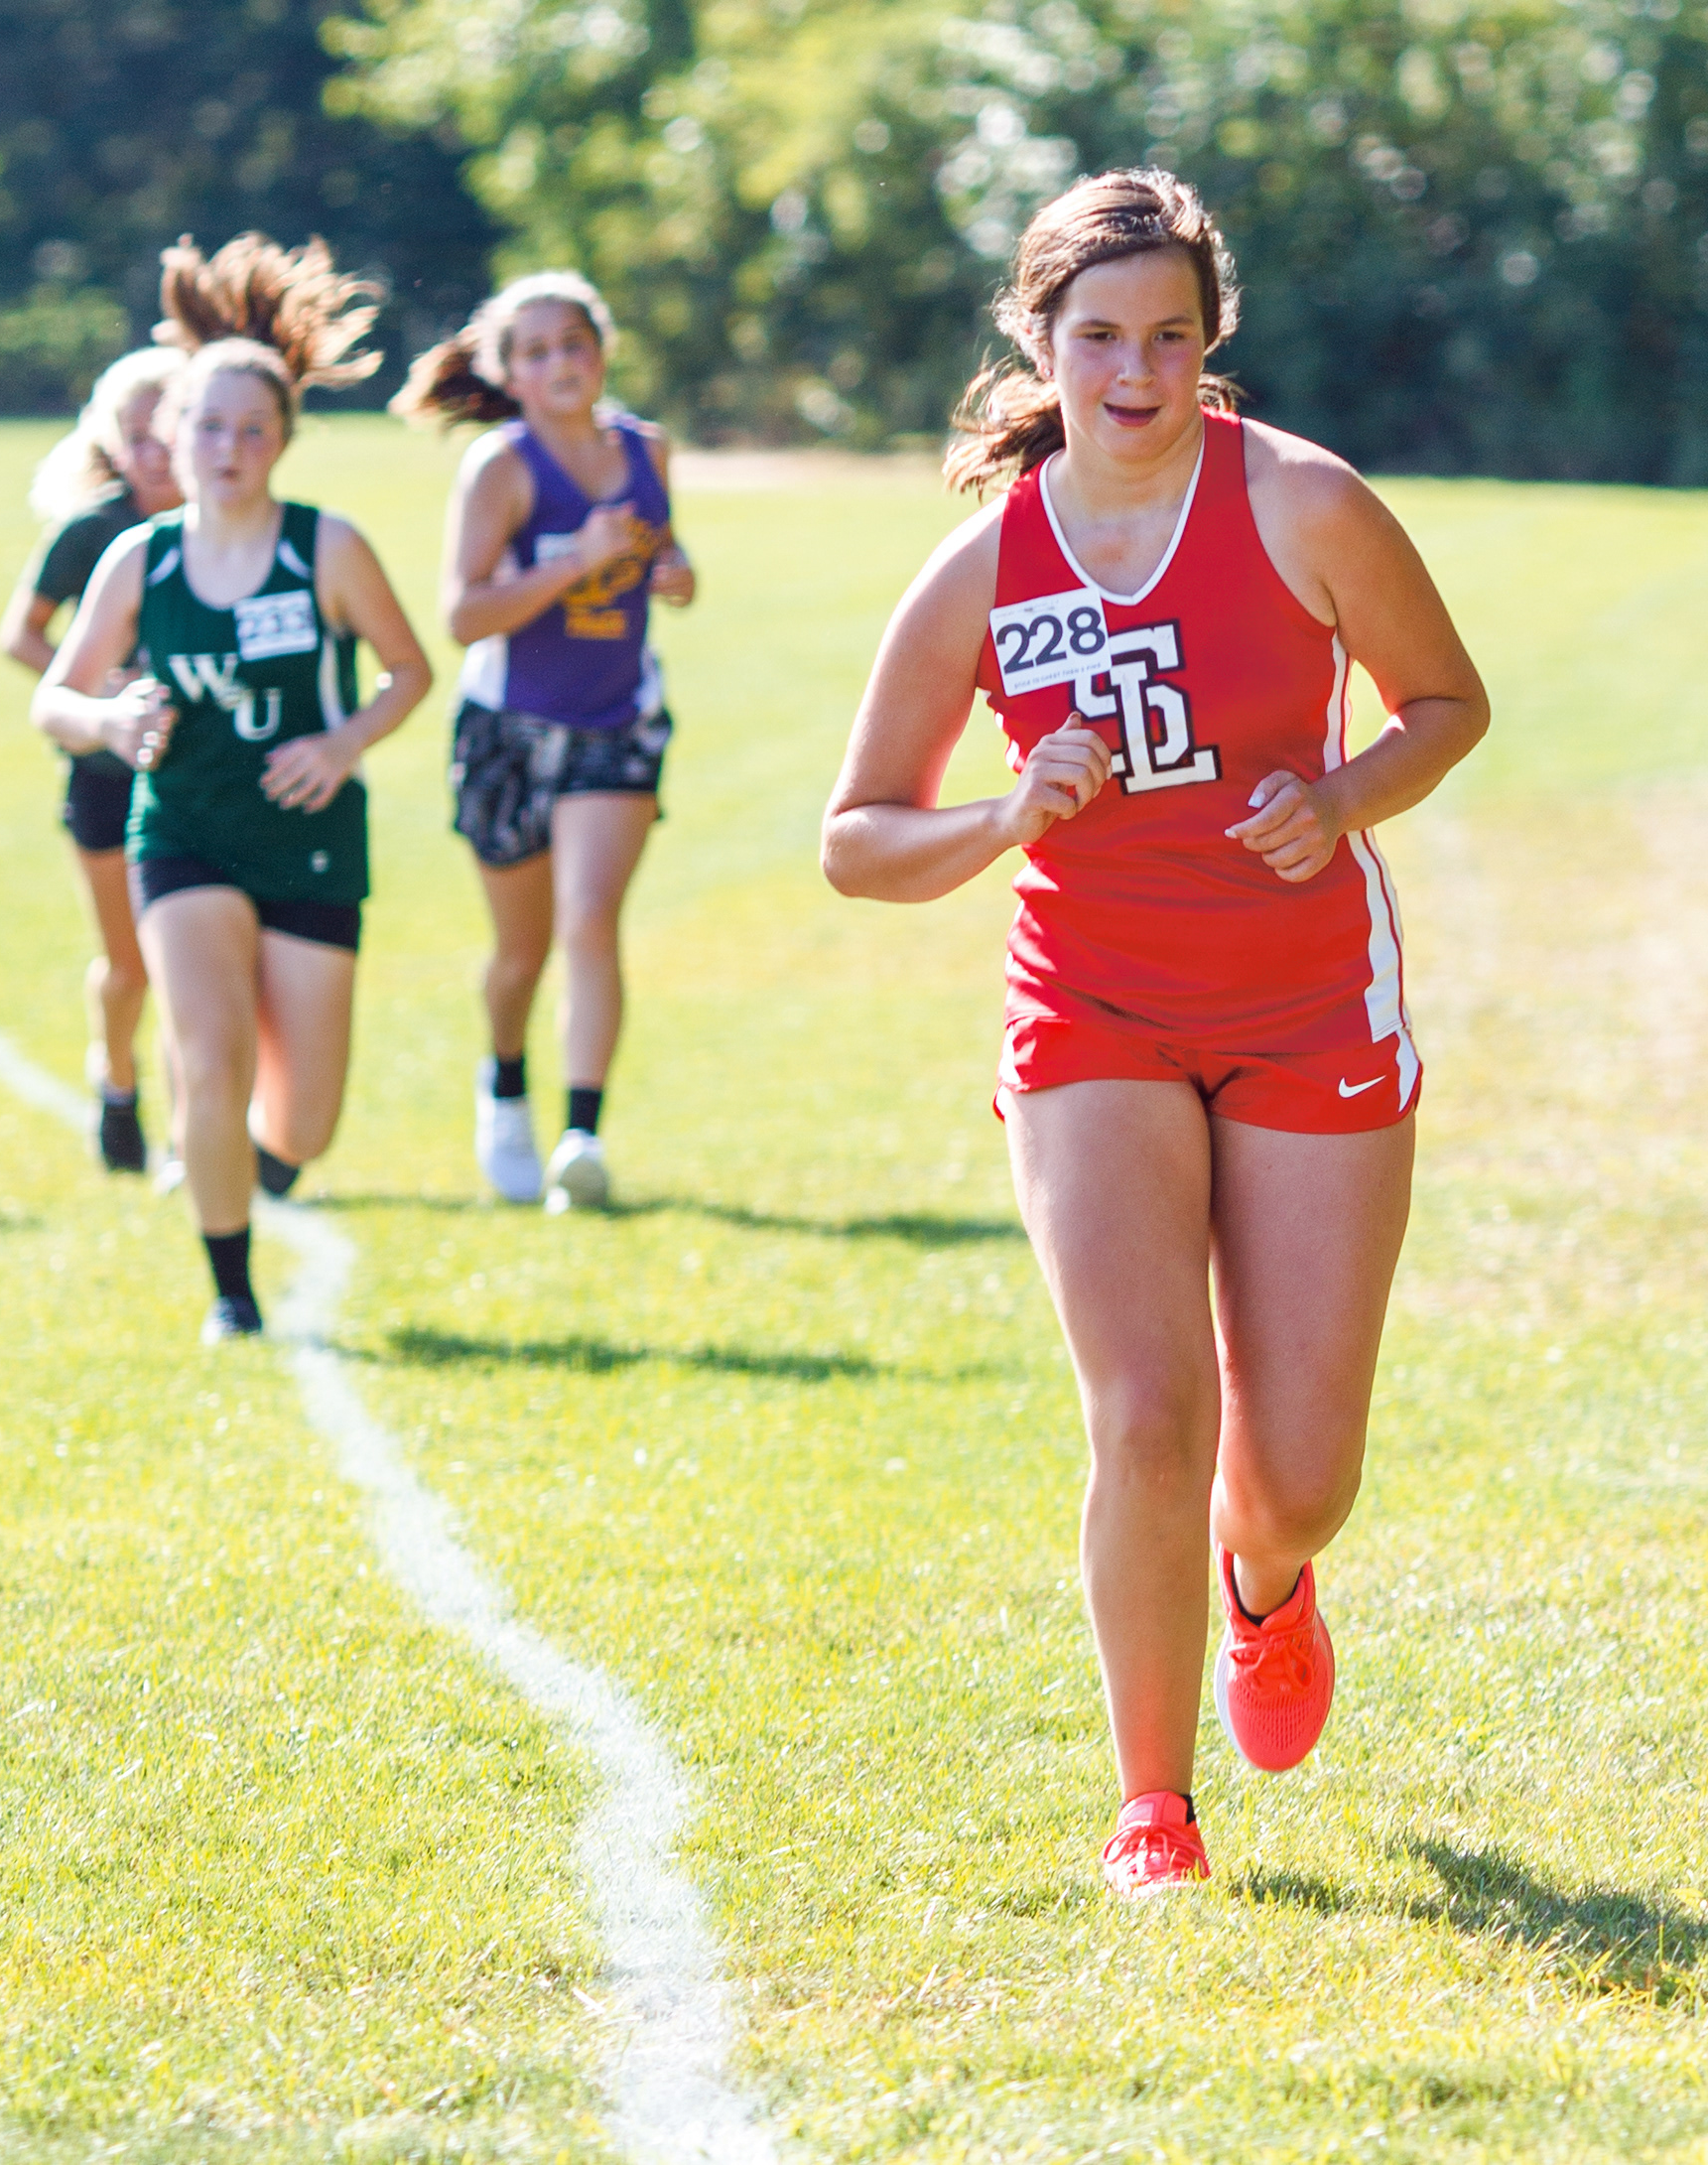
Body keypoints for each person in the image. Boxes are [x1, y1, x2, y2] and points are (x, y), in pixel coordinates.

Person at [823, 171, 1488, 1898]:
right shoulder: (985, 565)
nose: (1137, 372)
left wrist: (1336, 800)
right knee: (1146, 1411)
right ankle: (1153, 1810)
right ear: (1039, 342)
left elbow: (1446, 703)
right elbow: (856, 840)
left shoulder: (1303, 502)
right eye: (1102, 337)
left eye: (1172, 337)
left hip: (1306, 1002)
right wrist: (1005, 815)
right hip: (1092, 1005)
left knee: (1299, 1476)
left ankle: (1268, 1582)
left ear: (1211, 341)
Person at [34, 234, 433, 1341]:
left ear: (282, 442)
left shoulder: (327, 549)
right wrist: (112, 718)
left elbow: (409, 670)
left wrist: (343, 743)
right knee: (207, 1061)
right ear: (171, 435)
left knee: (304, 1124)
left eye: (253, 429)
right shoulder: (139, 560)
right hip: (185, 834)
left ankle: (252, 1161)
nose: (228, 447)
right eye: (208, 426)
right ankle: (233, 1292)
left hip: (309, 839)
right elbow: (54, 699)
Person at [392, 270, 695, 1212]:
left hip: (618, 720)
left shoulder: (647, 449)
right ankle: (506, 1082)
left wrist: (675, 571)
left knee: (589, 920)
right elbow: (462, 616)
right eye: (536, 352)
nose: (560, 363)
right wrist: (576, 563)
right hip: (510, 728)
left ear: (601, 354)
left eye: (574, 344)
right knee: (520, 952)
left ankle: (581, 1137)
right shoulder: (501, 468)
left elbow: (665, 552)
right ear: (509, 374)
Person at [0, 347, 186, 1171]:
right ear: (110, 443)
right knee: (132, 962)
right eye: (134, 437)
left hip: (197, 774)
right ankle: (115, 1079)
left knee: (197, 959)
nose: (153, 452)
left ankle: (194, 1130)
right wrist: (99, 692)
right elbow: (20, 635)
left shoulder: (225, 522)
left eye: (164, 432)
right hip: (106, 775)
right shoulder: (90, 532)